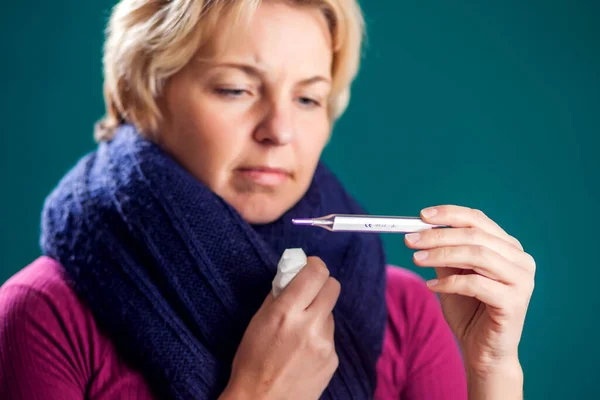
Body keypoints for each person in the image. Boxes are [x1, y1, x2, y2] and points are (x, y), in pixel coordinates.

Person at [0, 0, 535, 399]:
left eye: (308, 98)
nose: (280, 130)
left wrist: (493, 370)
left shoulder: (410, 312)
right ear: (141, 96)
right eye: (236, 88)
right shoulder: (41, 317)